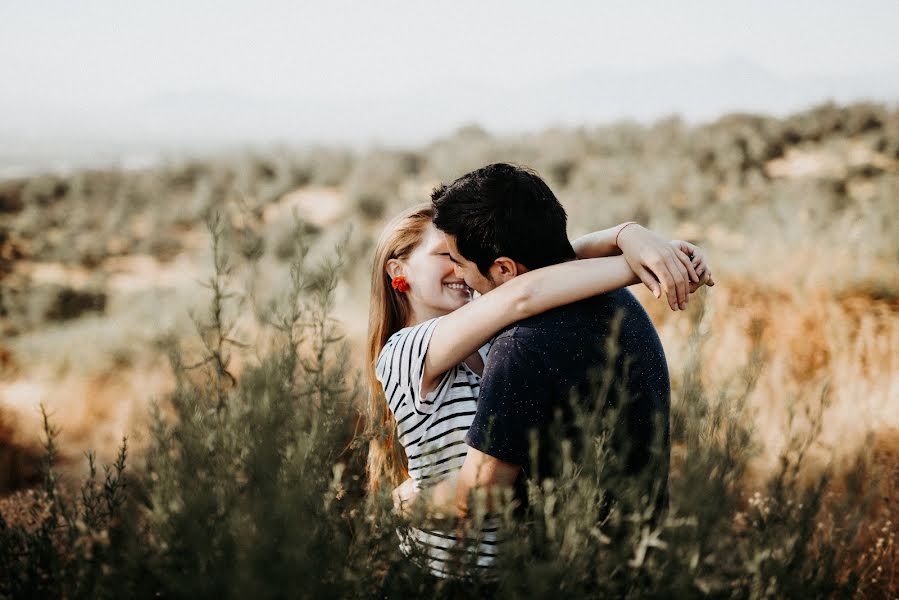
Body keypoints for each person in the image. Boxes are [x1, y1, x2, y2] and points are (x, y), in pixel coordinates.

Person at [366, 179, 713, 594]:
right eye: (445, 256)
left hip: (504, 574)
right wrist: (637, 266)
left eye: (460, 258)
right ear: (398, 271)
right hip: (442, 575)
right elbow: (523, 292)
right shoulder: (405, 350)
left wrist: (632, 236)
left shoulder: (482, 313)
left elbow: (540, 266)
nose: (460, 269)